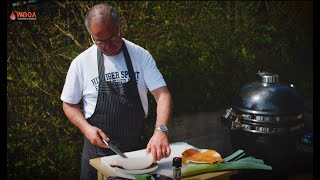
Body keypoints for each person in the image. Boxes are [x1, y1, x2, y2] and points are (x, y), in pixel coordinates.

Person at [60, 3, 172, 180]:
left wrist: (161, 130)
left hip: (138, 151)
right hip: (98, 155)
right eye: (100, 42)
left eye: (112, 38)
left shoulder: (140, 56)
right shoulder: (81, 63)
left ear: (120, 28)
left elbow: (163, 94)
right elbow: (69, 104)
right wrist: (86, 129)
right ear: (91, 36)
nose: (108, 46)